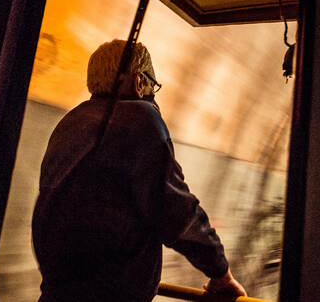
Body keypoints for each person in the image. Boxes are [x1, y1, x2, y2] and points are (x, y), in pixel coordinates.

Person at [32, 40, 246, 301]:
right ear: (139, 81)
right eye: (152, 85)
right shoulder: (141, 120)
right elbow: (177, 211)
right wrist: (220, 272)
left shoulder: (70, 123)